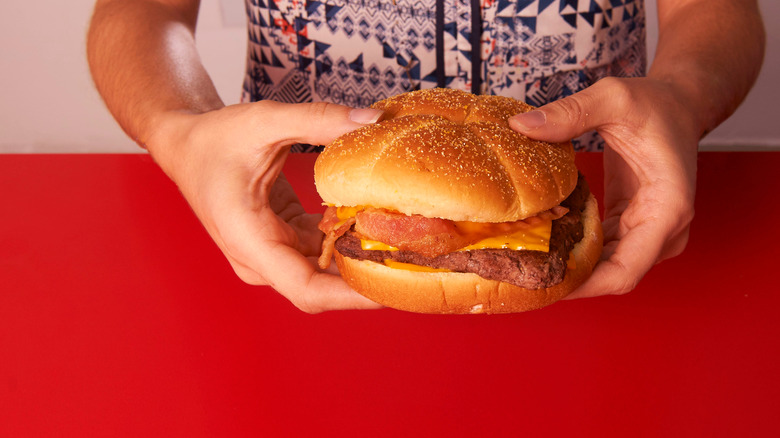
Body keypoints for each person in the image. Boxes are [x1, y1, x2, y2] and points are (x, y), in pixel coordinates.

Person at [87, 0, 765, 312]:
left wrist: (682, 96)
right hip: (275, 208)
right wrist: (180, 130)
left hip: (617, 193)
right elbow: (137, 11)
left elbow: (716, 7)